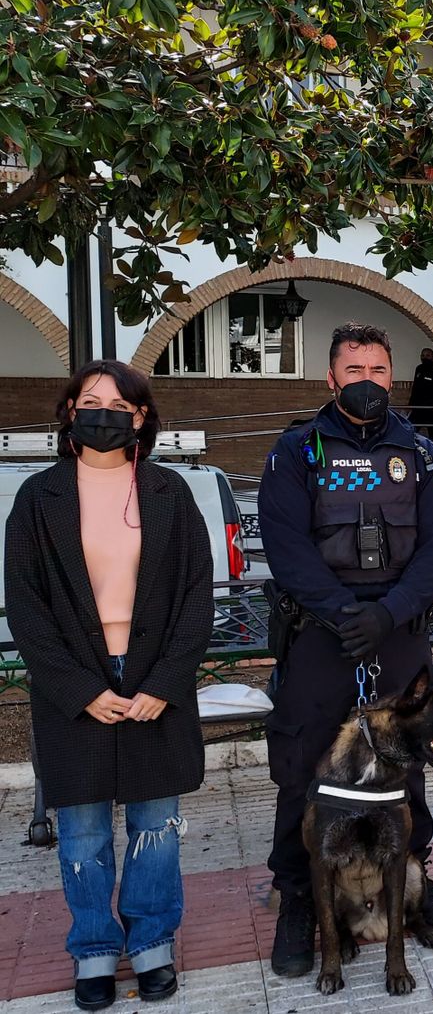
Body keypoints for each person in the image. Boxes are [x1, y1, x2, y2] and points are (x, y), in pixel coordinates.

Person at [4, 361, 212, 1011]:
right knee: (84, 833)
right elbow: (27, 607)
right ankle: (94, 949)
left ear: (142, 418)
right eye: (89, 401)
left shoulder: (170, 493)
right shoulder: (39, 498)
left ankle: (152, 946)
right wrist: (78, 689)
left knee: (157, 827)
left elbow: (195, 596)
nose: (104, 413)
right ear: (68, 412)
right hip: (77, 685)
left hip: (153, 679)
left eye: (119, 404)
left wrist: (167, 682)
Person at [258, 323, 433, 978]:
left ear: (391, 377)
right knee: (304, 766)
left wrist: (388, 613)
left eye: (379, 370)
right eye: (355, 370)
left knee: (407, 763)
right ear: (331, 378)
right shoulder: (297, 452)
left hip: (396, 637)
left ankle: (414, 878)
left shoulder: (423, 454)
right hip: (322, 637)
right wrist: (344, 612)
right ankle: (296, 895)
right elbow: (285, 544)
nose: (368, 381)